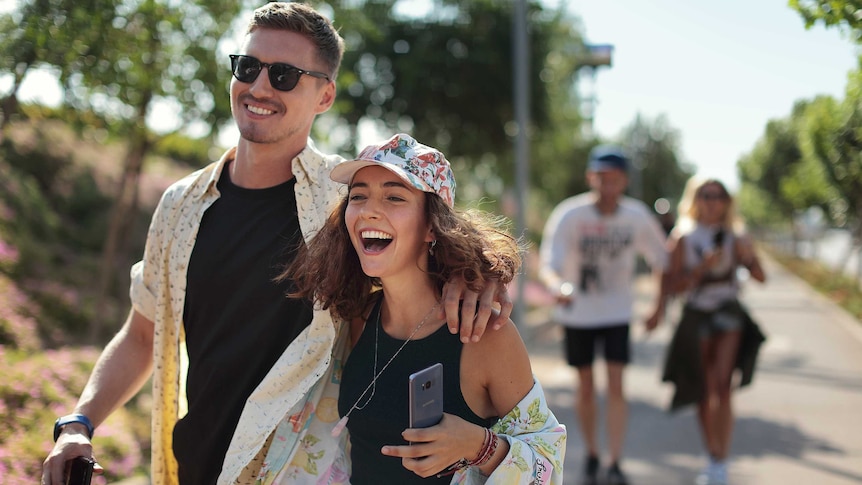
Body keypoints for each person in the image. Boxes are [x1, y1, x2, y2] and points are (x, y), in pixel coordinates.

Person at [41, 4, 511, 485]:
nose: (260, 87)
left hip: (296, 469)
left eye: (284, 75)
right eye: (248, 67)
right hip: (194, 468)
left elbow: (424, 248)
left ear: (325, 95)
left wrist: (478, 277)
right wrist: (78, 423)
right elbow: (141, 336)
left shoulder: (346, 202)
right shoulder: (181, 206)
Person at [281, 133, 566, 484]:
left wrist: (480, 445)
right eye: (358, 196)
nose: (369, 209)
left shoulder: (483, 333)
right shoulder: (355, 319)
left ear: (432, 226)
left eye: (394, 196)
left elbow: (548, 467)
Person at [538, 144, 669, 485]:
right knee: (584, 387)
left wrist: (658, 305)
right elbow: (549, 264)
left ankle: (615, 460)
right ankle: (593, 453)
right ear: (590, 177)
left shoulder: (636, 216)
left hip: (616, 313)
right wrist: (558, 287)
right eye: (600, 177)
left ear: (623, 180)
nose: (606, 185)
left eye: (613, 178)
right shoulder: (571, 215)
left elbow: (662, 259)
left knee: (615, 385)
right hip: (578, 314)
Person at [660, 177, 766, 485]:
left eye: (719, 195)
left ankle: (721, 457)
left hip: (728, 312)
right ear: (696, 199)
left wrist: (748, 256)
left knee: (723, 385)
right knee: (704, 389)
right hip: (696, 313)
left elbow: (761, 277)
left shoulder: (737, 235)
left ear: (726, 201)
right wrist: (702, 269)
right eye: (706, 195)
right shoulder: (683, 236)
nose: (712, 201)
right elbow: (674, 286)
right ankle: (713, 453)